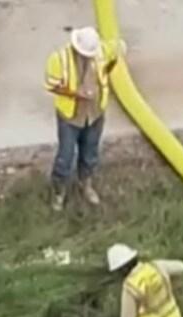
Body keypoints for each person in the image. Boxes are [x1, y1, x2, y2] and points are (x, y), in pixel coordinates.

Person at [44, 27, 126, 212]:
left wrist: (107, 70)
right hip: (71, 117)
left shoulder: (101, 51)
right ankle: (59, 192)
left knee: (90, 152)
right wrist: (75, 94)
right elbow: (52, 86)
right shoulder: (59, 59)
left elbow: (118, 51)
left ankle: (85, 184)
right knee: (65, 157)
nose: (89, 57)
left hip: (95, 114)